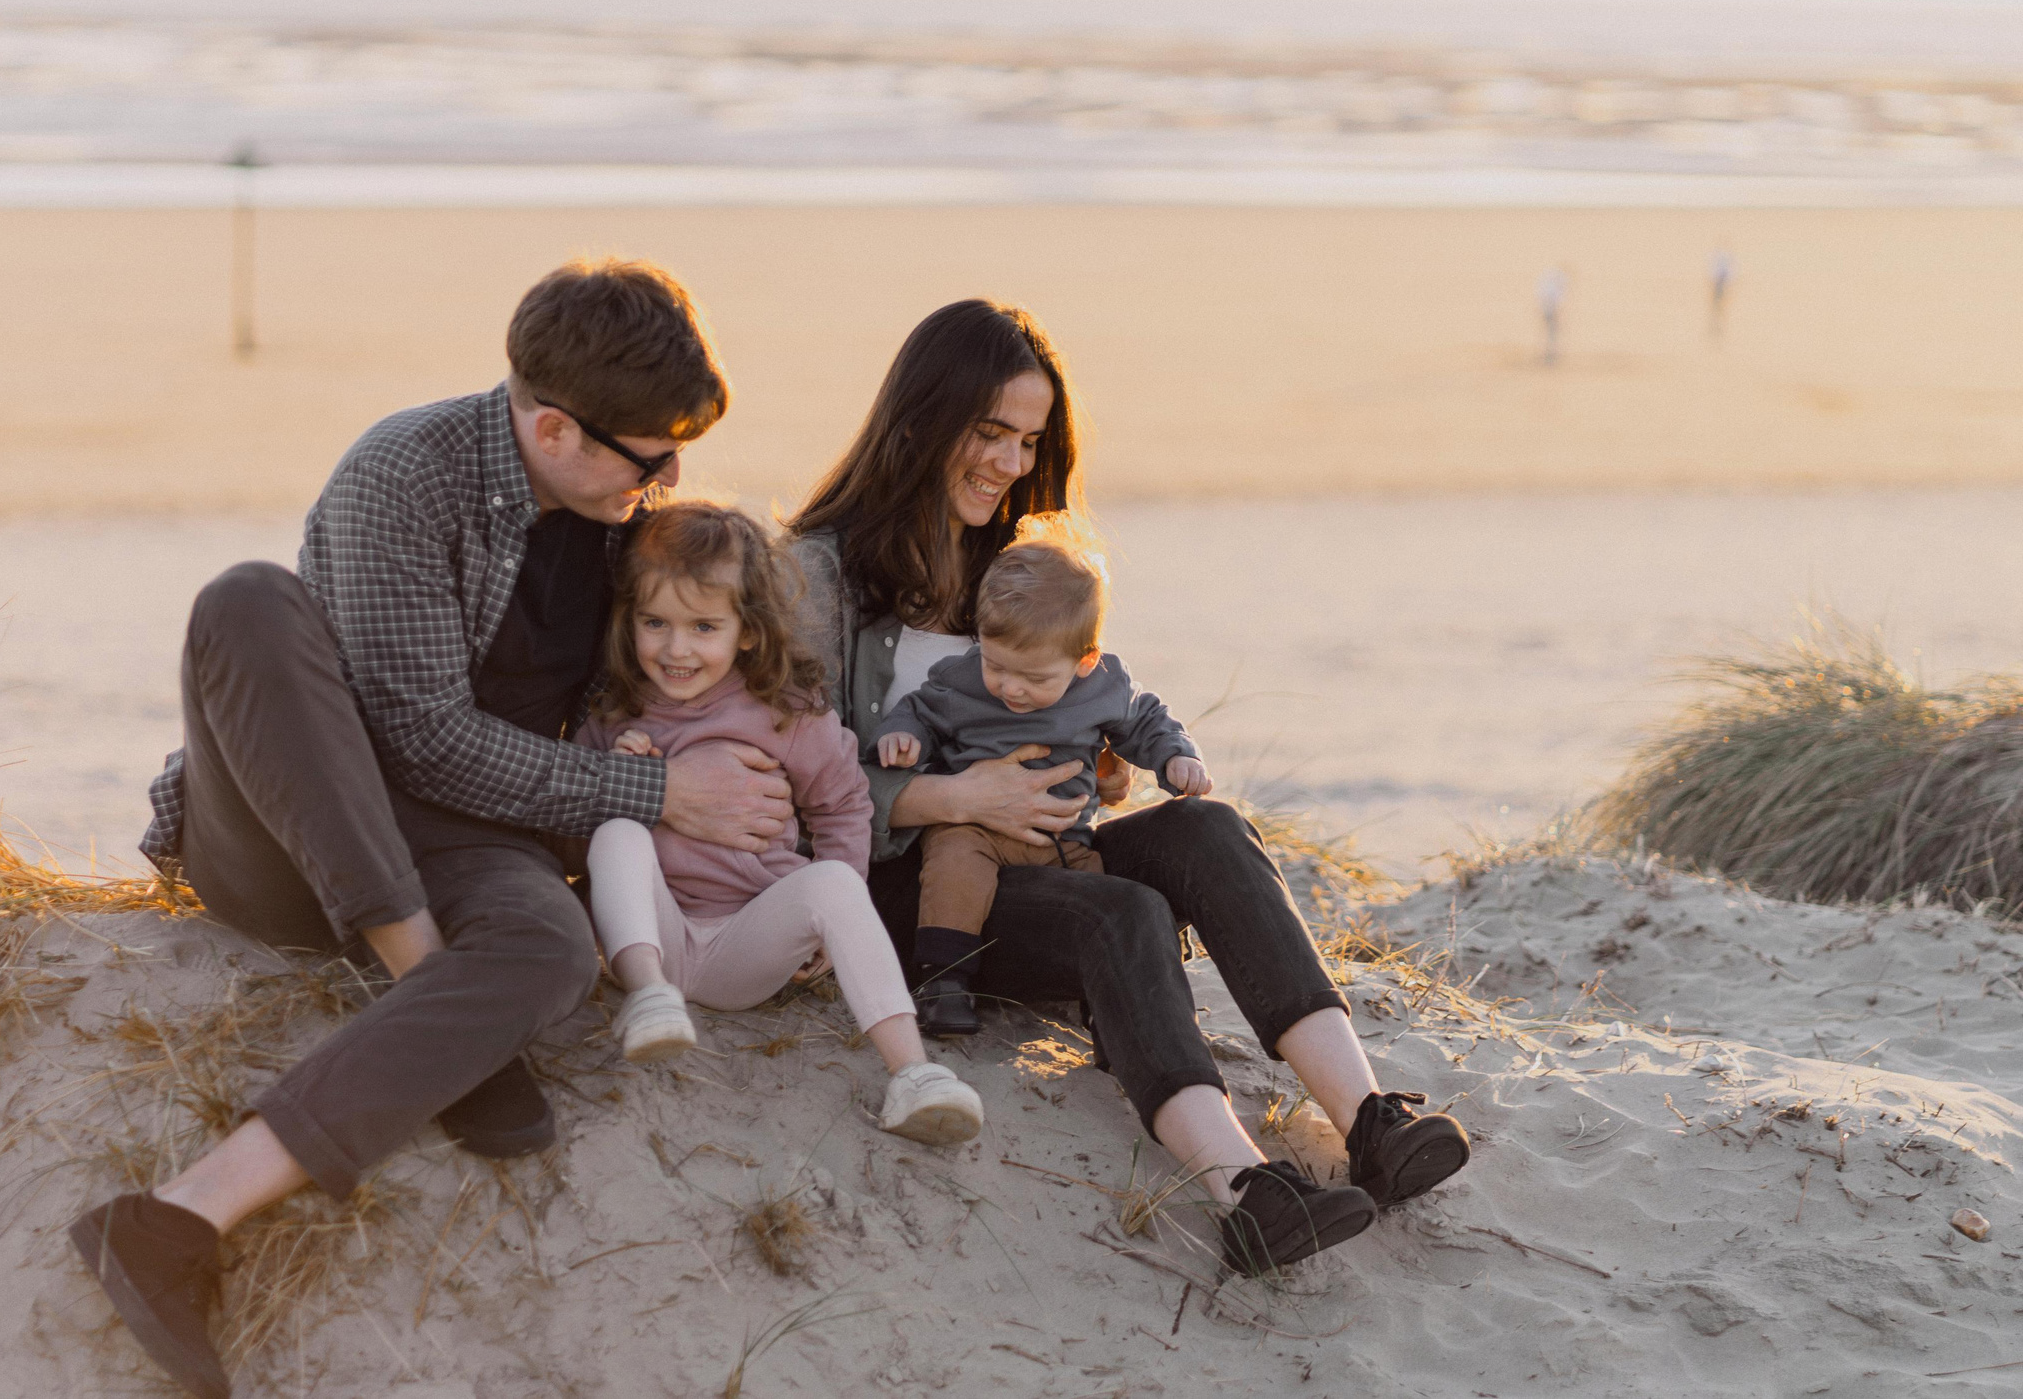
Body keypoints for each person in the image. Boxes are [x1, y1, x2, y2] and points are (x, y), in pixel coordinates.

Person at [69, 260, 797, 1399]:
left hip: (478, 840)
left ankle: (175, 1217)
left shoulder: (631, 519)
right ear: (554, 428)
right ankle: (428, 984)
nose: (668, 478)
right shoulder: (403, 476)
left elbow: (704, 644)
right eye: (650, 455)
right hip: (297, 827)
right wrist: (661, 799)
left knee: (552, 948)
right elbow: (421, 743)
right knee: (247, 600)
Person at [790, 299, 1471, 1275]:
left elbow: (1097, 709)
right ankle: (1242, 1189)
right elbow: (790, 782)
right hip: (914, 892)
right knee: (1118, 911)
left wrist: (1102, 767)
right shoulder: (819, 576)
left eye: (1027, 440)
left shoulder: (1017, 565)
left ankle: (1368, 1117)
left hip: (1047, 854)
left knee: (1208, 831)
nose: (1009, 462)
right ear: (922, 418)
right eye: (988, 433)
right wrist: (959, 799)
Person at [573, 499, 984, 1144]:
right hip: (649, 935)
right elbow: (577, 828)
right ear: (628, 622)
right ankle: (649, 999)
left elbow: (844, 806)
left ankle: (913, 1075)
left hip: (747, 943)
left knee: (837, 885)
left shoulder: (787, 711)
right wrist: (625, 782)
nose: (676, 649)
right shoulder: (616, 711)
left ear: (750, 630)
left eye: (704, 627)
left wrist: (826, 922)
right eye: (655, 622)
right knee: (618, 832)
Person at [874, 534, 1206, 1038]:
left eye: (1033, 678)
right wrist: (901, 735)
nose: (1011, 688)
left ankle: (1108, 1002)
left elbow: (1145, 721)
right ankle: (943, 981)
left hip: (1065, 839)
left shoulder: (1104, 685)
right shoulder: (960, 681)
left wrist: (1177, 757)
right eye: (996, 666)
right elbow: (919, 710)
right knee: (954, 869)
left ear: (1085, 661)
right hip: (975, 828)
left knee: (1102, 890)